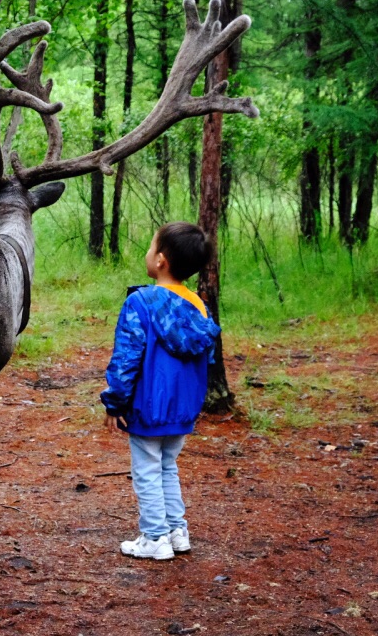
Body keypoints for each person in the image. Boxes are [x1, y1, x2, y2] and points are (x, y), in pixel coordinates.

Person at [99, 222, 220, 560]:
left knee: (148, 470)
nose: (147, 254)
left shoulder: (141, 303)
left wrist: (115, 402)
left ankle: (154, 538)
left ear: (161, 260)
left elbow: (126, 358)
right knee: (167, 465)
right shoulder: (198, 306)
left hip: (148, 406)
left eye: (151, 248)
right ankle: (176, 530)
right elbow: (204, 358)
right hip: (183, 408)